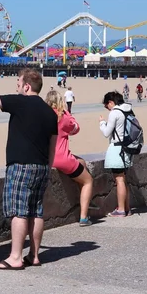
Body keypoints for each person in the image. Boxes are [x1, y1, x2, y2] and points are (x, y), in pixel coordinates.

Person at [0, 68, 58, 269]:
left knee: (19, 211)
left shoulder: (20, 102)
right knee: (36, 211)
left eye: (18, 84)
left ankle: (15, 257)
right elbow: (53, 145)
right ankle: (34, 255)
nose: (17, 87)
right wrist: (47, 168)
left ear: (26, 86)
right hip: (41, 166)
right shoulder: (50, 112)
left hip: (21, 165)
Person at [44, 91, 93, 226]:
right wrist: (68, 114)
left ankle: (85, 198)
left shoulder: (44, 115)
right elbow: (76, 129)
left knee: (82, 162)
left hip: (47, 158)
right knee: (88, 181)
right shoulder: (62, 117)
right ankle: (83, 217)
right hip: (62, 159)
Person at [99, 91, 134, 217]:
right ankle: (127, 208)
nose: (107, 108)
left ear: (111, 102)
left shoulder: (115, 113)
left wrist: (102, 123)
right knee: (123, 179)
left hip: (117, 149)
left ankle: (120, 210)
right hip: (127, 149)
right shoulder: (128, 110)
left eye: (106, 105)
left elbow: (106, 133)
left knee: (119, 179)